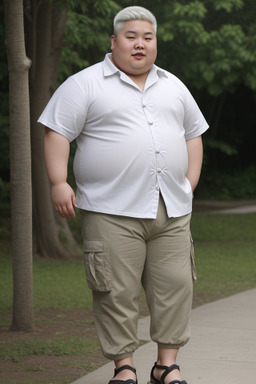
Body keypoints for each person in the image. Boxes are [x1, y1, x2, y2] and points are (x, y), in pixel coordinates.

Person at [38, 6, 209, 384]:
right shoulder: (85, 83)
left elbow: (193, 133)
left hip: (172, 208)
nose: (139, 44)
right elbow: (57, 132)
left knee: (175, 286)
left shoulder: (173, 85)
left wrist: (190, 181)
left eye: (147, 38)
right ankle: (124, 368)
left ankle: (166, 366)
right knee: (114, 290)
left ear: (155, 44)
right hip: (110, 208)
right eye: (131, 36)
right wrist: (58, 181)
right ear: (114, 41)